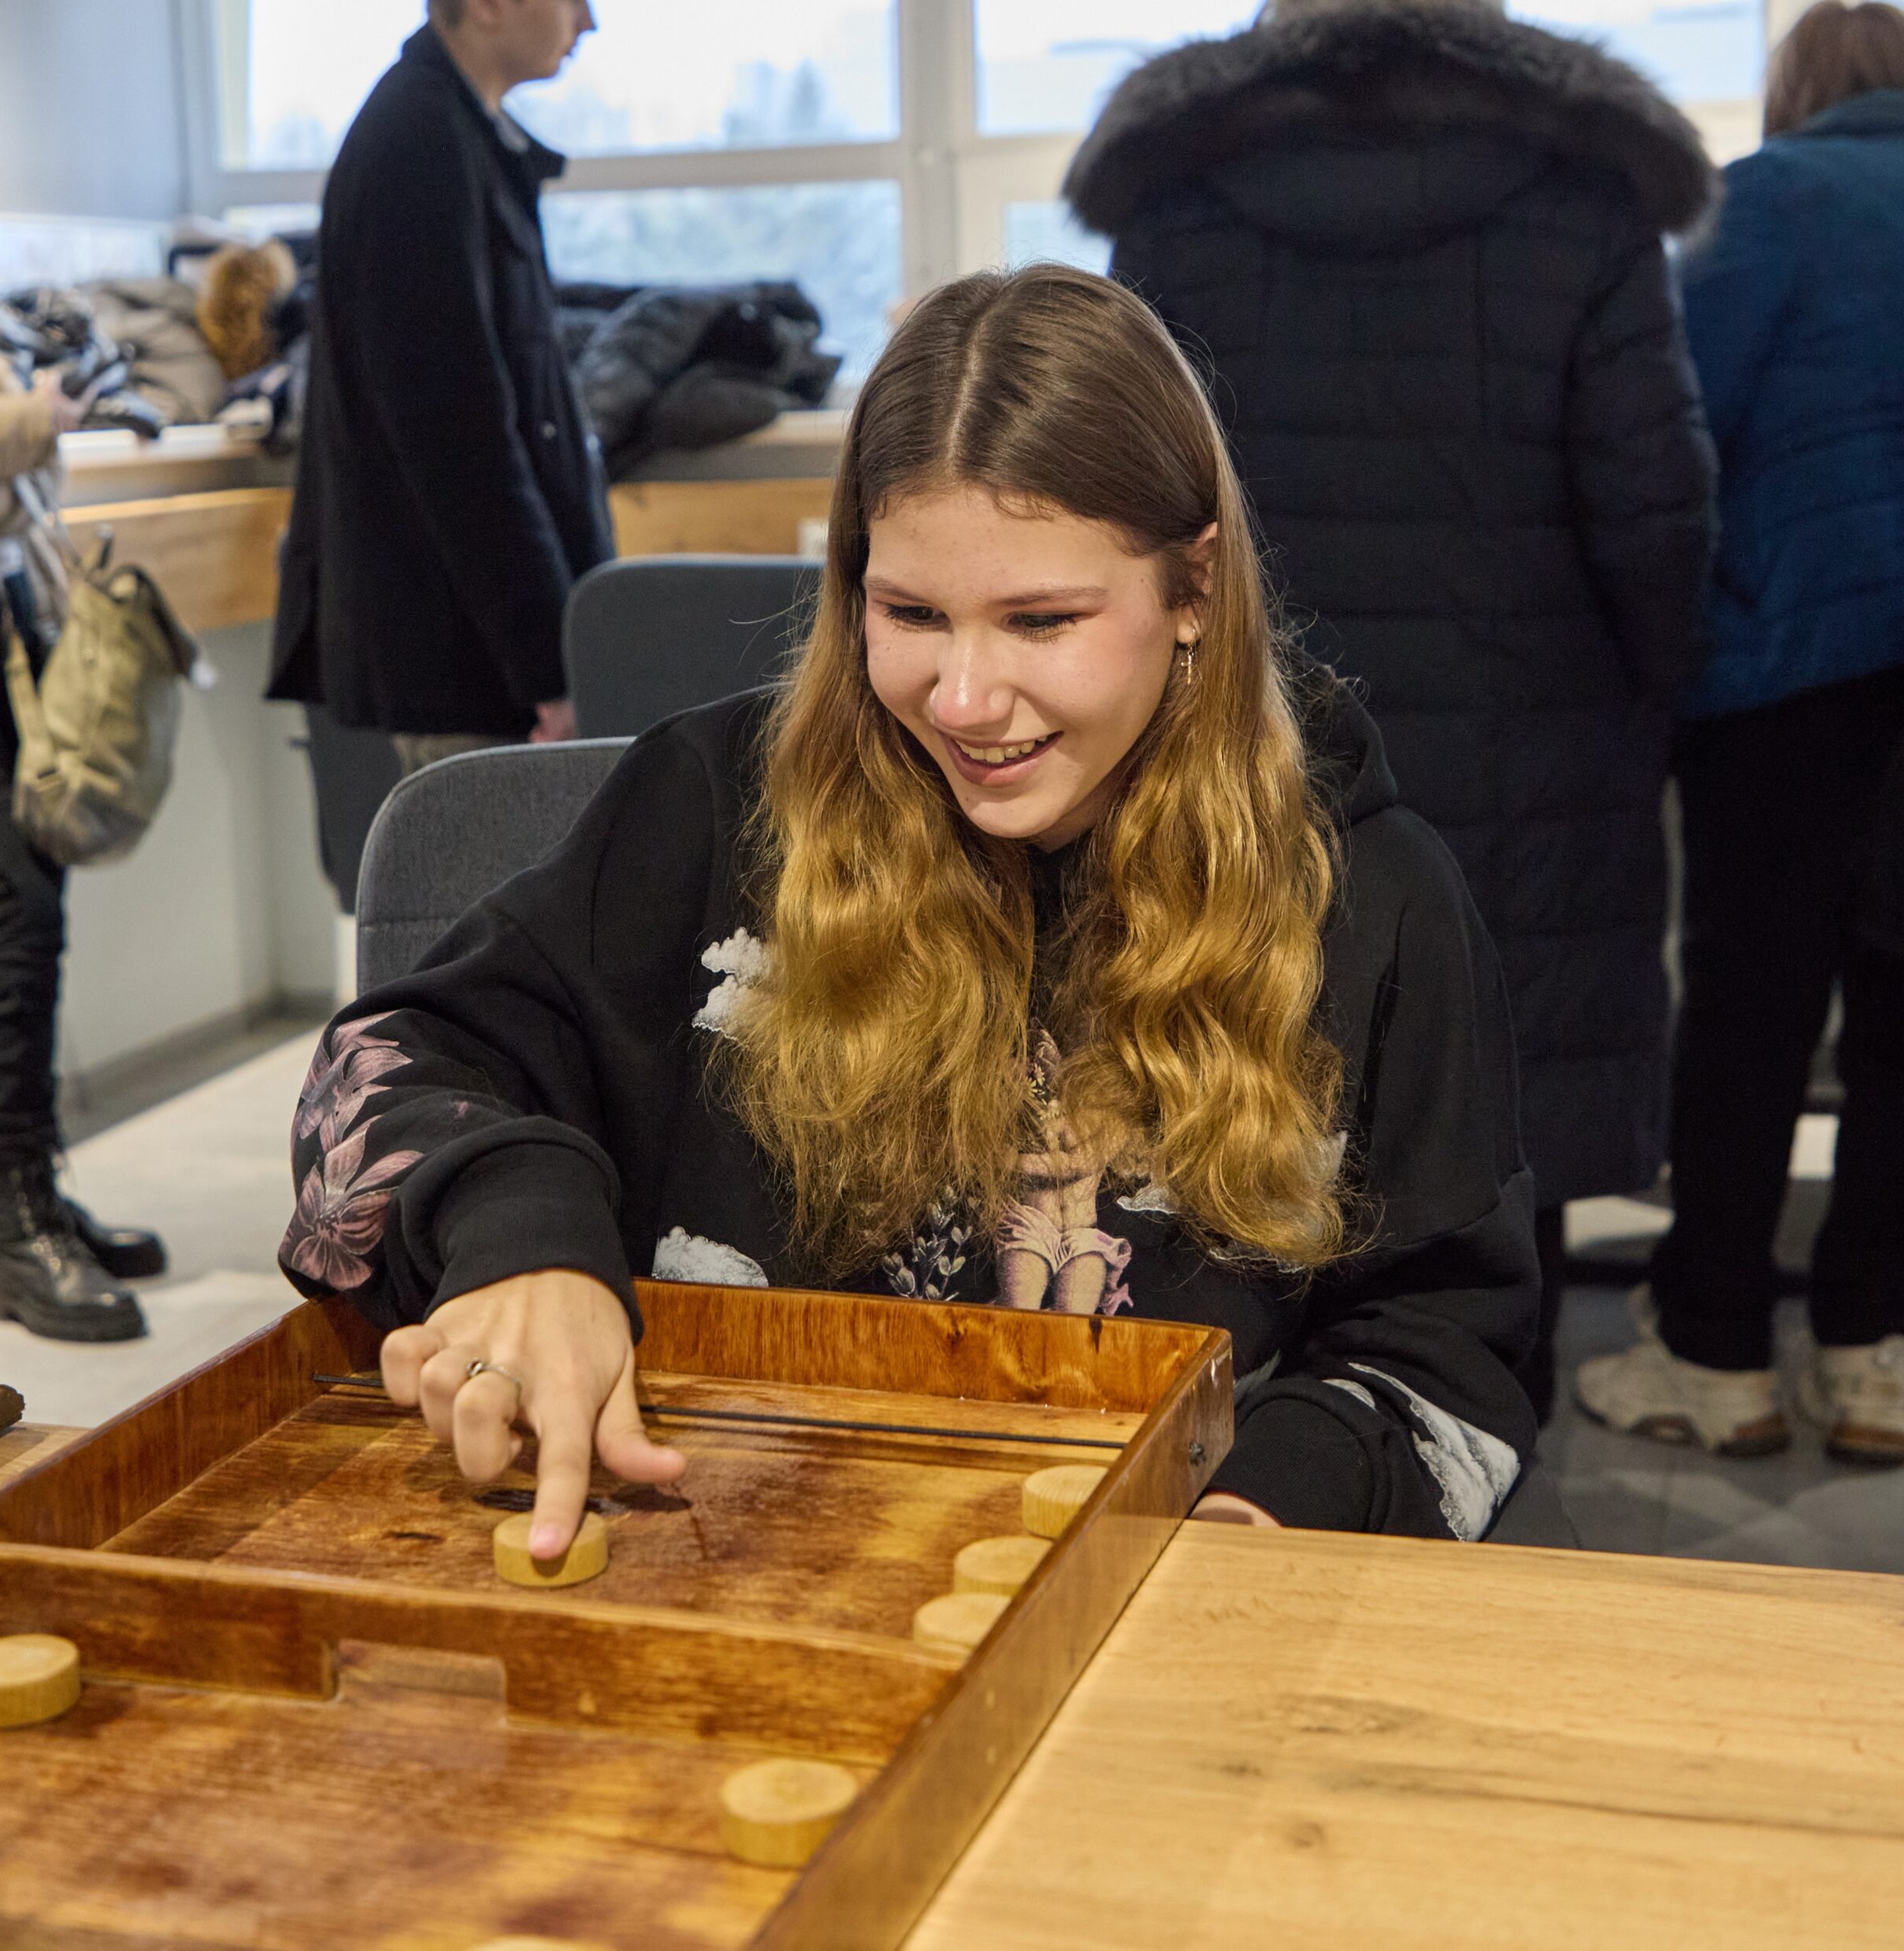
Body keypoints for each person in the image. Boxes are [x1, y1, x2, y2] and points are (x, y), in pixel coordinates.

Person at [278, 265, 1539, 1561]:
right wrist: (521, 1240)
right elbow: (388, 1066)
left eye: (1041, 621)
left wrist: (1253, 1517)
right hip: (725, 1558)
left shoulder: (1370, 896)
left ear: (1194, 591)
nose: (966, 699)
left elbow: (1448, 1348)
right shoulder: (715, 810)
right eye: (912, 613)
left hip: (1158, 1592)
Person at [1062, 0, 1718, 1426]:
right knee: (1501, 1142)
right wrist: (1645, 693)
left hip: (1244, 740)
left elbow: (1126, 490)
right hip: (1532, 754)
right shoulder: (1585, 190)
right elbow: (1655, 515)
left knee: (1233, 1088)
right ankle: (1468, 1452)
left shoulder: (1182, 189)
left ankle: (1253, 1473)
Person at [1578, 2, 1904, 1462]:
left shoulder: (1765, 202)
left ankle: (1718, 1352)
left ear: (1800, 90)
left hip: (1786, 675)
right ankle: (1875, 1351)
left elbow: (1674, 430)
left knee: (1751, 1011)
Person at [268, 0, 610, 775]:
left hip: (485, 660)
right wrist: (545, 664)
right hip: (467, 668)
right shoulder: (417, 139)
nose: (588, 21)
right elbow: (456, 433)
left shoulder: (459, 133)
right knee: (485, 861)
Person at [0, 184, 166, 1344]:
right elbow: (12, 451)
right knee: (10, 929)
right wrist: (29, 422)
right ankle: (12, 1220)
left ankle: (17, 1208)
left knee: (18, 930)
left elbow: (22, 485)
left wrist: (3, 455)